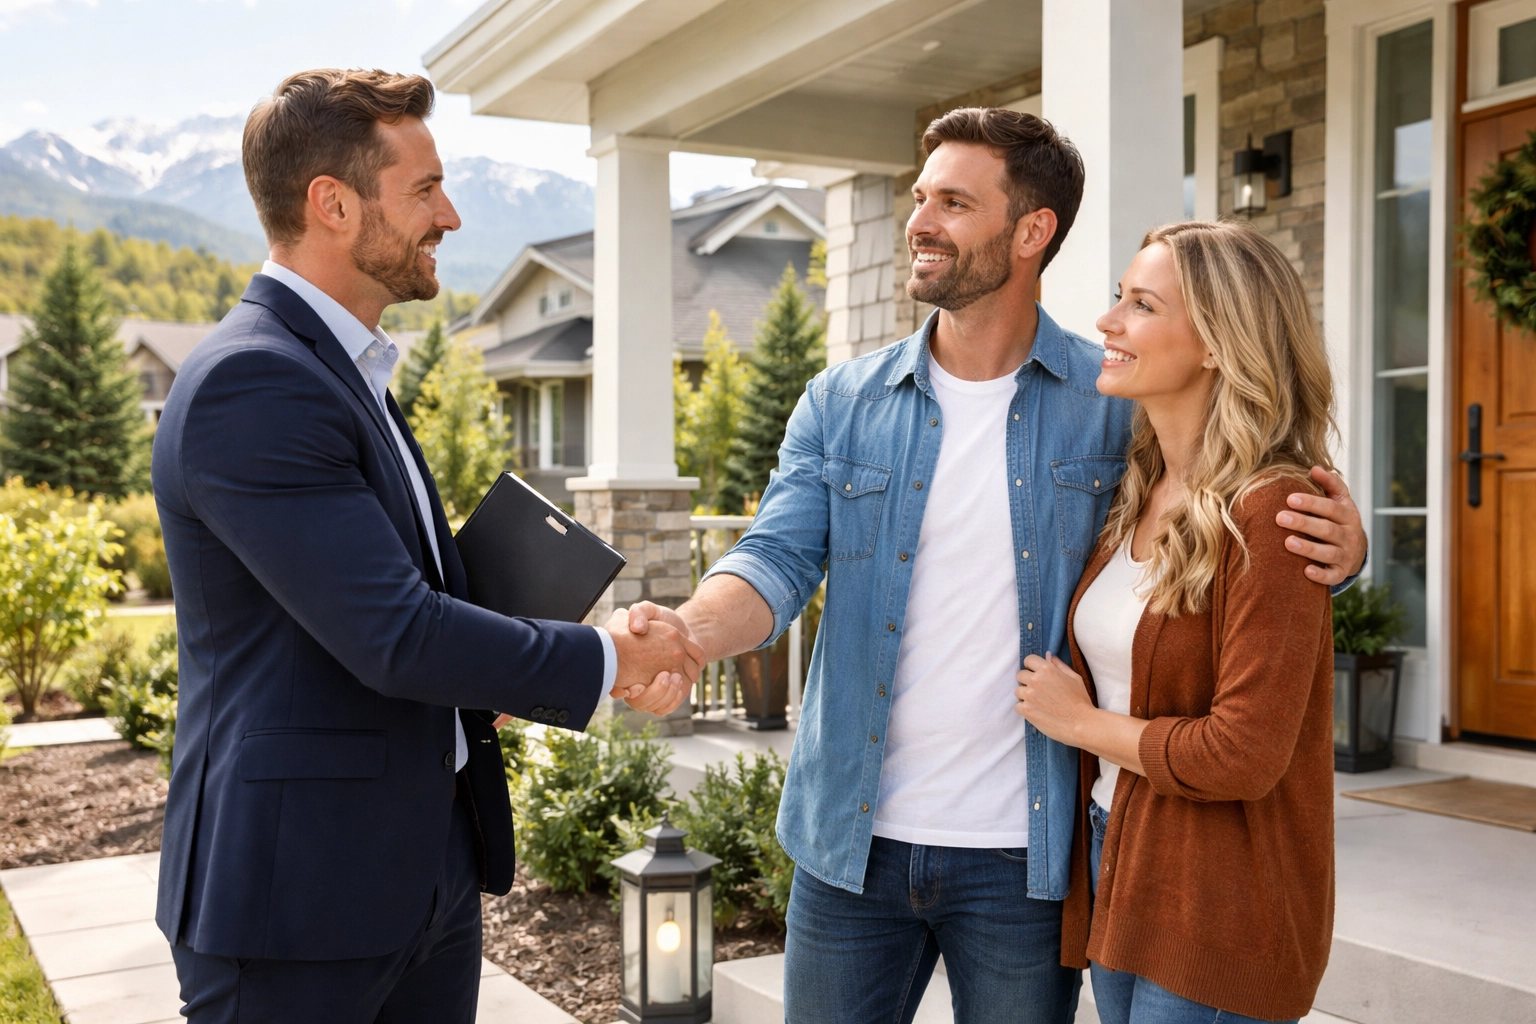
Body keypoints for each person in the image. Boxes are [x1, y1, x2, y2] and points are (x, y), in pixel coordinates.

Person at [624, 108, 1365, 1023]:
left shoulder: (1115, 402)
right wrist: (691, 635)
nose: (921, 219)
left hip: (1031, 857)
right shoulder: (842, 404)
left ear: (1030, 231)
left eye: (953, 201)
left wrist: (1338, 548)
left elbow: (1236, 493)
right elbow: (773, 558)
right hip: (851, 844)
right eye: (919, 196)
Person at [151, 69, 698, 1024]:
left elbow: (389, 586)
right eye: (424, 189)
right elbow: (394, 634)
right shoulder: (256, 383)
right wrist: (610, 659)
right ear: (332, 204)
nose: (448, 215)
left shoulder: (346, 371)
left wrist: (554, 621)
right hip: (296, 903)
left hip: (420, 874)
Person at [1015, 220, 1339, 1023]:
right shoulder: (1137, 490)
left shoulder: (1273, 511)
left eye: (1141, 305)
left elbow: (1243, 754)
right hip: (1122, 859)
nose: (1107, 323)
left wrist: (1081, 724)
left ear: (1220, 344)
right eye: (1116, 298)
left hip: (1224, 900)